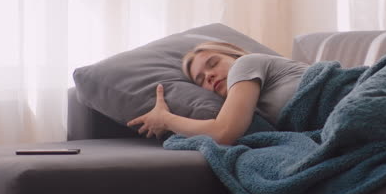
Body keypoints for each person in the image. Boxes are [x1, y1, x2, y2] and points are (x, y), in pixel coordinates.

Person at [127, 41, 308, 145]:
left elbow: (223, 132)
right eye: (201, 80)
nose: (209, 75)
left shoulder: (245, 63)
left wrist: (165, 119)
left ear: (234, 56)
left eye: (213, 63)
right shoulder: (250, 109)